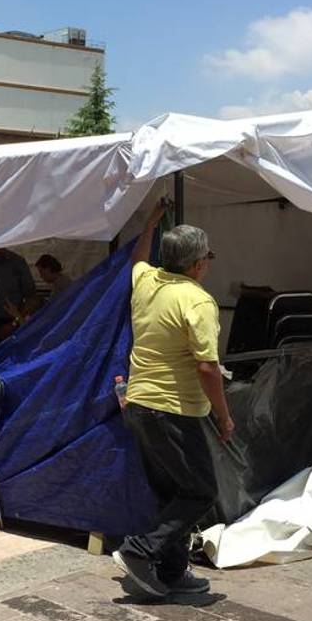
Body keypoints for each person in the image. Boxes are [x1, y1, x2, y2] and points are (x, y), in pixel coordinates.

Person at [112, 201, 228, 599]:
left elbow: (137, 258)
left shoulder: (146, 282)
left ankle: (174, 570)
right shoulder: (197, 301)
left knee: (172, 493)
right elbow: (209, 368)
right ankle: (138, 551)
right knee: (201, 491)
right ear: (197, 264)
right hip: (173, 411)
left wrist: (150, 224)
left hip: (140, 406)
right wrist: (224, 418)